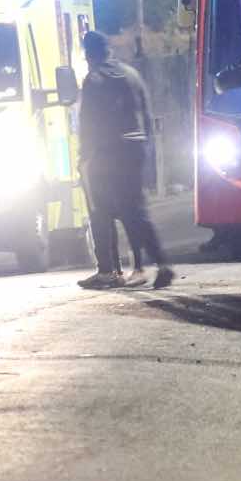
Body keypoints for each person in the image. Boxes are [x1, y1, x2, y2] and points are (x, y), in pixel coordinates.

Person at [76, 31, 173, 290]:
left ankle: (110, 271)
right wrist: (147, 149)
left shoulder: (94, 78)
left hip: (108, 153)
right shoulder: (131, 74)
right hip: (136, 147)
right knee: (134, 209)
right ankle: (145, 266)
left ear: (89, 54)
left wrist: (83, 155)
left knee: (101, 210)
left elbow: (88, 122)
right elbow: (146, 112)